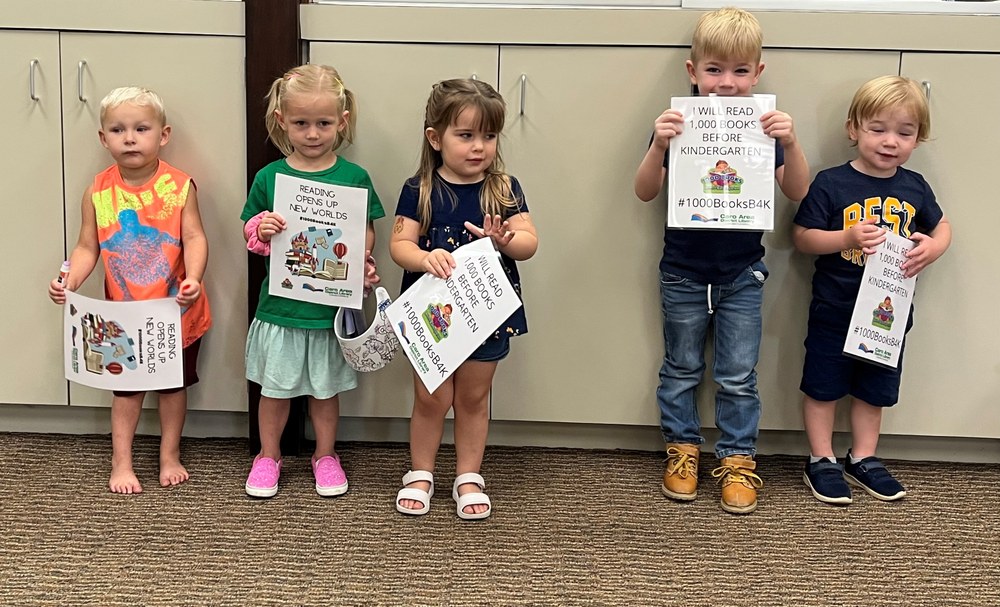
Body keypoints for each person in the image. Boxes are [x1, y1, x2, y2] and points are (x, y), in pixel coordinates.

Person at [632, 7, 810, 514]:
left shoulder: (764, 126)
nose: (726, 84)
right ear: (692, 72)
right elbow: (645, 192)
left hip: (742, 274)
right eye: (713, 70)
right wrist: (658, 146)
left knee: (738, 374)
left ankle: (737, 458)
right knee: (681, 367)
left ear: (758, 72)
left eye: (739, 71)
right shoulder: (678, 122)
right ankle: (683, 449)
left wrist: (790, 142)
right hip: (683, 271)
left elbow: (797, 191)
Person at [794, 75, 950, 505]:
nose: (890, 142)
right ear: (853, 129)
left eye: (905, 132)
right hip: (835, 309)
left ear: (918, 138)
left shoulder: (915, 187)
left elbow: (942, 225)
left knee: (873, 390)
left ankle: (863, 457)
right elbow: (803, 237)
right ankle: (821, 459)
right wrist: (843, 238)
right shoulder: (830, 183)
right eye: (877, 129)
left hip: (888, 315)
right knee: (823, 387)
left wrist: (933, 248)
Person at [48, 86, 211, 494]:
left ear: (163, 134)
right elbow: (88, 246)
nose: (130, 138)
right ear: (104, 139)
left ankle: (169, 454)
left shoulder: (179, 186)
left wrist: (194, 277)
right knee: (126, 391)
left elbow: (194, 237)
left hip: (176, 311)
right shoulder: (98, 191)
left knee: (173, 388)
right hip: (123, 317)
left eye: (141, 128)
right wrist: (70, 280)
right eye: (118, 130)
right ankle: (121, 461)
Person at [390, 79, 538, 520]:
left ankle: (468, 475)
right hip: (430, 315)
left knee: (474, 398)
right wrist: (423, 256)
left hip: (485, 315)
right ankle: (421, 472)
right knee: (431, 398)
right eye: (466, 135)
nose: (479, 147)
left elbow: (530, 243)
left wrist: (506, 239)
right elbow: (400, 245)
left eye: (489, 136)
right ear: (435, 138)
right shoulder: (419, 188)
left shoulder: (504, 188)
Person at [241, 64, 385, 499]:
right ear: (282, 120)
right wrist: (262, 230)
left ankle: (326, 455)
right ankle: (268, 456)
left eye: (323, 123)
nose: (312, 133)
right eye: (301, 123)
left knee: (325, 393)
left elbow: (365, 229)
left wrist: (361, 262)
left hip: (328, 311)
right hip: (282, 310)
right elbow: (250, 229)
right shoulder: (270, 177)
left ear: (341, 122)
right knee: (275, 391)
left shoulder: (353, 178)